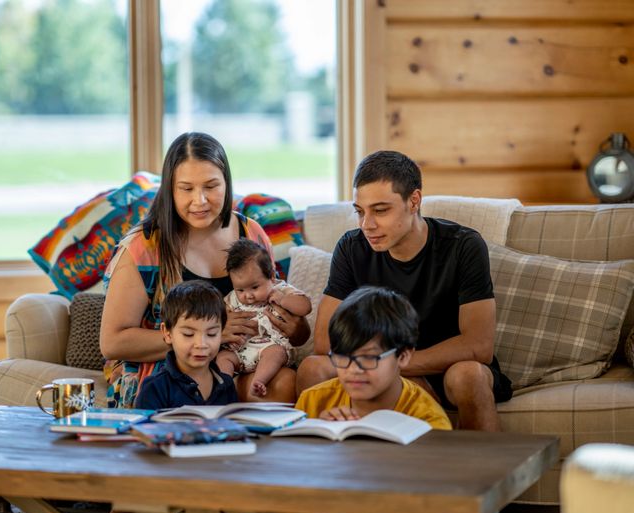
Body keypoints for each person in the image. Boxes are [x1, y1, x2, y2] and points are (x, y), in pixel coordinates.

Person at [296, 150, 512, 431]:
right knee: (313, 367)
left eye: (380, 210)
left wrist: (399, 367)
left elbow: (478, 346)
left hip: (444, 366)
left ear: (414, 201)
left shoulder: (463, 246)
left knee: (468, 375)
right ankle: (326, 460)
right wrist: (386, 369)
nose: (367, 225)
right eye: (360, 212)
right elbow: (326, 342)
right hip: (375, 363)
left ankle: (481, 471)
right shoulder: (351, 247)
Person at [100, 132, 309, 408]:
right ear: (169, 190)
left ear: (227, 183)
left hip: (243, 359)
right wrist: (209, 336)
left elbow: (279, 306)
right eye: (186, 189)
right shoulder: (144, 247)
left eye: (211, 186)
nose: (200, 200)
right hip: (167, 371)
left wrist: (295, 327)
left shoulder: (251, 233)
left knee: (283, 382)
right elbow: (113, 343)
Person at [296, 286, 451, 429]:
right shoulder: (313, 402)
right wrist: (317, 437)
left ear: (403, 356)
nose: (354, 369)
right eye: (342, 356)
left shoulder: (429, 422)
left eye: (369, 357)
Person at [216, 239, 312, 397]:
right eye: (240, 289)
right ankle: (223, 386)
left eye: (255, 287)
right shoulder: (231, 299)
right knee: (223, 357)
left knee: (276, 353)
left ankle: (259, 381)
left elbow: (305, 307)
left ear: (272, 277)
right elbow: (218, 317)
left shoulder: (280, 290)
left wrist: (283, 300)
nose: (248, 296)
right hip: (241, 351)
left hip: (269, 347)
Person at [134, 281, 237, 410]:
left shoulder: (227, 385)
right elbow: (144, 430)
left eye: (211, 334)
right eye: (188, 334)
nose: (201, 344)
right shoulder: (155, 387)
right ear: (167, 333)